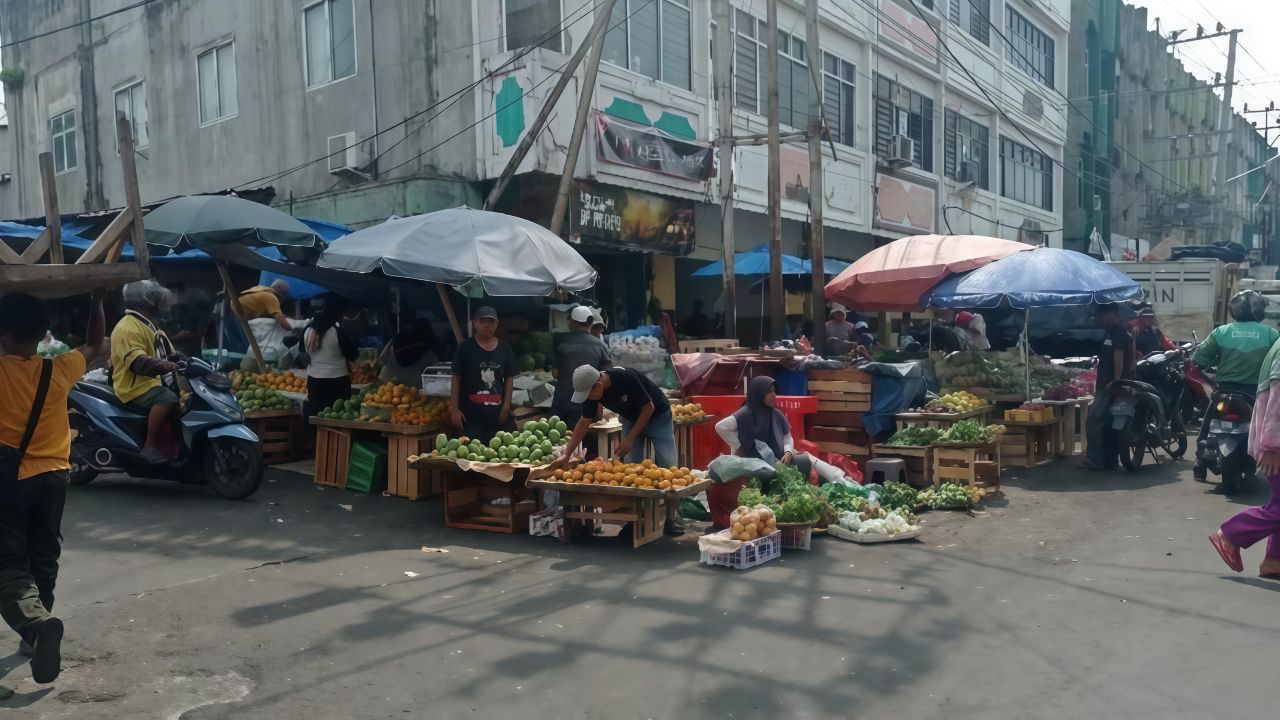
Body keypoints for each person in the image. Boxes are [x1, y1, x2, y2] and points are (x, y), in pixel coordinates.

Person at [0, 290, 105, 685]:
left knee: (9, 562)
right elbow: (95, 343)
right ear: (42, 331)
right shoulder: (58, 368)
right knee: (44, 553)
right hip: (55, 477)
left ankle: (35, 626)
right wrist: (97, 303)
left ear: (4, 335)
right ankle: (37, 632)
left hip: (12, 479)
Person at [557, 365, 682, 535]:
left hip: (658, 415)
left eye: (589, 394)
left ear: (599, 385)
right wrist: (567, 454)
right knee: (632, 470)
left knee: (668, 466)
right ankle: (636, 519)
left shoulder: (626, 378)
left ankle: (670, 519)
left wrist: (629, 438)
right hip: (631, 418)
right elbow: (583, 422)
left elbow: (648, 408)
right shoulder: (592, 392)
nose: (589, 398)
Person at [1209, 332, 1280, 579]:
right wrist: (1271, 445)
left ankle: (1274, 560)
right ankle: (1230, 534)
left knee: (1278, 504)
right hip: (1276, 442)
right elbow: (1277, 400)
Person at [1192, 291, 1279, 485]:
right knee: (1265, 427)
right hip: (1255, 393)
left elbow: (1199, 358)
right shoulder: (1271, 334)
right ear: (1259, 310)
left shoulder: (1221, 332)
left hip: (1225, 391)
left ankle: (1199, 462)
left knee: (1207, 423)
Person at [111, 281, 180, 465]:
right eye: (157, 300)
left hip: (152, 382)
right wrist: (163, 365)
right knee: (167, 398)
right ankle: (149, 447)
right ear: (146, 303)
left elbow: (172, 355)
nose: (161, 304)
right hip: (134, 387)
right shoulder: (128, 327)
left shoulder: (150, 325)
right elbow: (137, 362)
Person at [450, 307, 518, 443]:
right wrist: (455, 409)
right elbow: (456, 378)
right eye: (482, 321)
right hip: (470, 418)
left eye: (491, 322)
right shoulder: (464, 348)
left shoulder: (505, 348)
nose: (486, 325)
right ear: (474, 323)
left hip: (498, 417)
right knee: (472, 457)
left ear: (497, 324)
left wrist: (506, 407)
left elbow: (509, 378)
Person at [1082, 303, 1135, 471]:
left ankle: (1096, 460)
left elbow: (1118, 358)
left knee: (1094, 421)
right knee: (1107, 423)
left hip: (1109, 385)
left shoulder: (1118, 332)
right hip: (1108, 384)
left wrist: (1117, 381)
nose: (1100, 317)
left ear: (1112, 313)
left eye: (1103, 314)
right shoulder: (1112, 331)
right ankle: (1109, 460)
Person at [551, 306, 611, 428]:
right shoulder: (600, 345)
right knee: (580, 443)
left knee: (557, 441)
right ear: (590, 323)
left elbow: (555, 373)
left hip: (561, 401)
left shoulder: (561, 341)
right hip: (586, 404)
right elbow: (607, 376)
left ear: (573, 322)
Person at [715, 376, 795, 465]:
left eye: (774, 391)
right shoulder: (745, 413)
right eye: (768, 392)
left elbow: (787, 436)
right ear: (758, 393)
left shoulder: (776, 414)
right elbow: (721, 427)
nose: (773, 395)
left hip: (777, 466)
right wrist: (739, 447)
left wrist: (788, 452)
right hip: (749, 468)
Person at [303, 300, 357, 419]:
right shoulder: (338, 331)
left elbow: (302, 351)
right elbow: (353, 355)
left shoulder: (307, 330)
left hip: (314, 381)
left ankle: (317, 437)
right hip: (338, 382)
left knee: (317, 417)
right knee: (338, 417)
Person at [378, 318, 439, 386]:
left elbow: (381, 360)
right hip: (414, 387)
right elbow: (437, 370)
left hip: (388, 383)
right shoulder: (429, 351)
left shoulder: (395, 340)